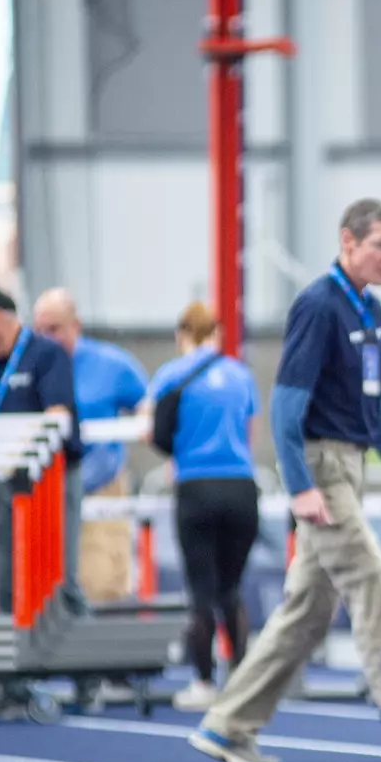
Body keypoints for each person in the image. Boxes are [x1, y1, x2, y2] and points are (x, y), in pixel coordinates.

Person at [189, 198, 381, 762]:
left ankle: (226, 724)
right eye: (380, 244)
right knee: (376, 587)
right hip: (322, 470)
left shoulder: (370, 309)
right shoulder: (318, 305)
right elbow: (285, 408)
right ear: (348, 242)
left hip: (351, 465)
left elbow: (376, 405)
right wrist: (301, 486)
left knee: (308, 612)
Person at [147, 303, 261, 713]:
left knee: (201, 591)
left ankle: (204, 682)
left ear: (182, 334)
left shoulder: (171, 375)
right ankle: (244, 681)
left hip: (196, 486)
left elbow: (158, 435)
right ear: (216, 331)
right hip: (241, 487)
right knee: (231, 589)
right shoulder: (240, 374)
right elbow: (247, 426)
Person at [0, 286, 83, 615]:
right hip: (6, 480)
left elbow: (58, 414)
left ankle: (72, 641)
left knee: (57, 568)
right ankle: (15, 644)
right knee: (8, 567)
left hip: (50, 478)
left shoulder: (46, 354)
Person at [33, 287, 148, 604]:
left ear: (76, 325)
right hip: (44, 493)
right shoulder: (30, 364)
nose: (47, 337)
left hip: (100, 490)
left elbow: (147, 404)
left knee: (101, 584)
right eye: (40, 330)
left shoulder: (111, 365)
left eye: (54, 328)